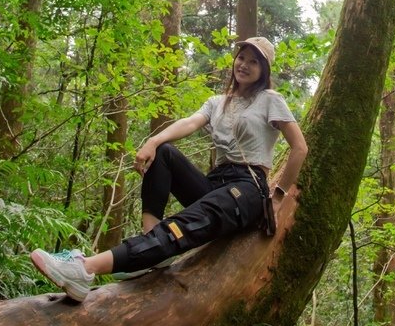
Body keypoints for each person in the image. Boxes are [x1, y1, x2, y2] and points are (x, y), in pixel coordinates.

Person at [30, 36, 308, 302]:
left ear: (264, 70)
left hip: (246, 187)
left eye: (254, 62)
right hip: (216, 182)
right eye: (241, 57)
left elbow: (299, 148)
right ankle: (154, 247)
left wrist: (278, 196)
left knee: (184, 224)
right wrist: (153, 140)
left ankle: (86, 268)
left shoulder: (270, 99)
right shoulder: (217, 102)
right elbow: (189, 123)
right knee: (163, 152)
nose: (244, 64)